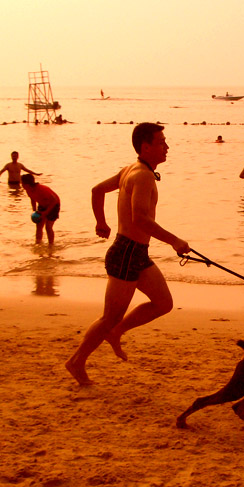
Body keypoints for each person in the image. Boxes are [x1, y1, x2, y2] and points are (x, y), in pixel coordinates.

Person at [65, 122, 190, 382]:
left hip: (137, 253)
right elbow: (140, 218)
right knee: (109, 318)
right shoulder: (141, 175)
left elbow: (97, 190)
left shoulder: (131, 169)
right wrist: (174, 241)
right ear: (146, 147)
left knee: (163, 304)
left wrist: (101, 222)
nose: (167, 146)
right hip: (126, 254)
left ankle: (116, 332)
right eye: (161, 142)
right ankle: (76, 362)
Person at [21, 174, 60, 245]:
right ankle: (38, 243)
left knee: (48, 227)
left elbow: (54, 200)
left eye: (22, 183)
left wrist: (45, 213)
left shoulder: (42, 189)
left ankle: (51, 245)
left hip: (54, 205)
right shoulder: (28, 190)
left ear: (27, 185)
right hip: (42, 205)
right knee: (39, 226)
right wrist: (34, 210)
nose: (21, 185)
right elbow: (32, 199)